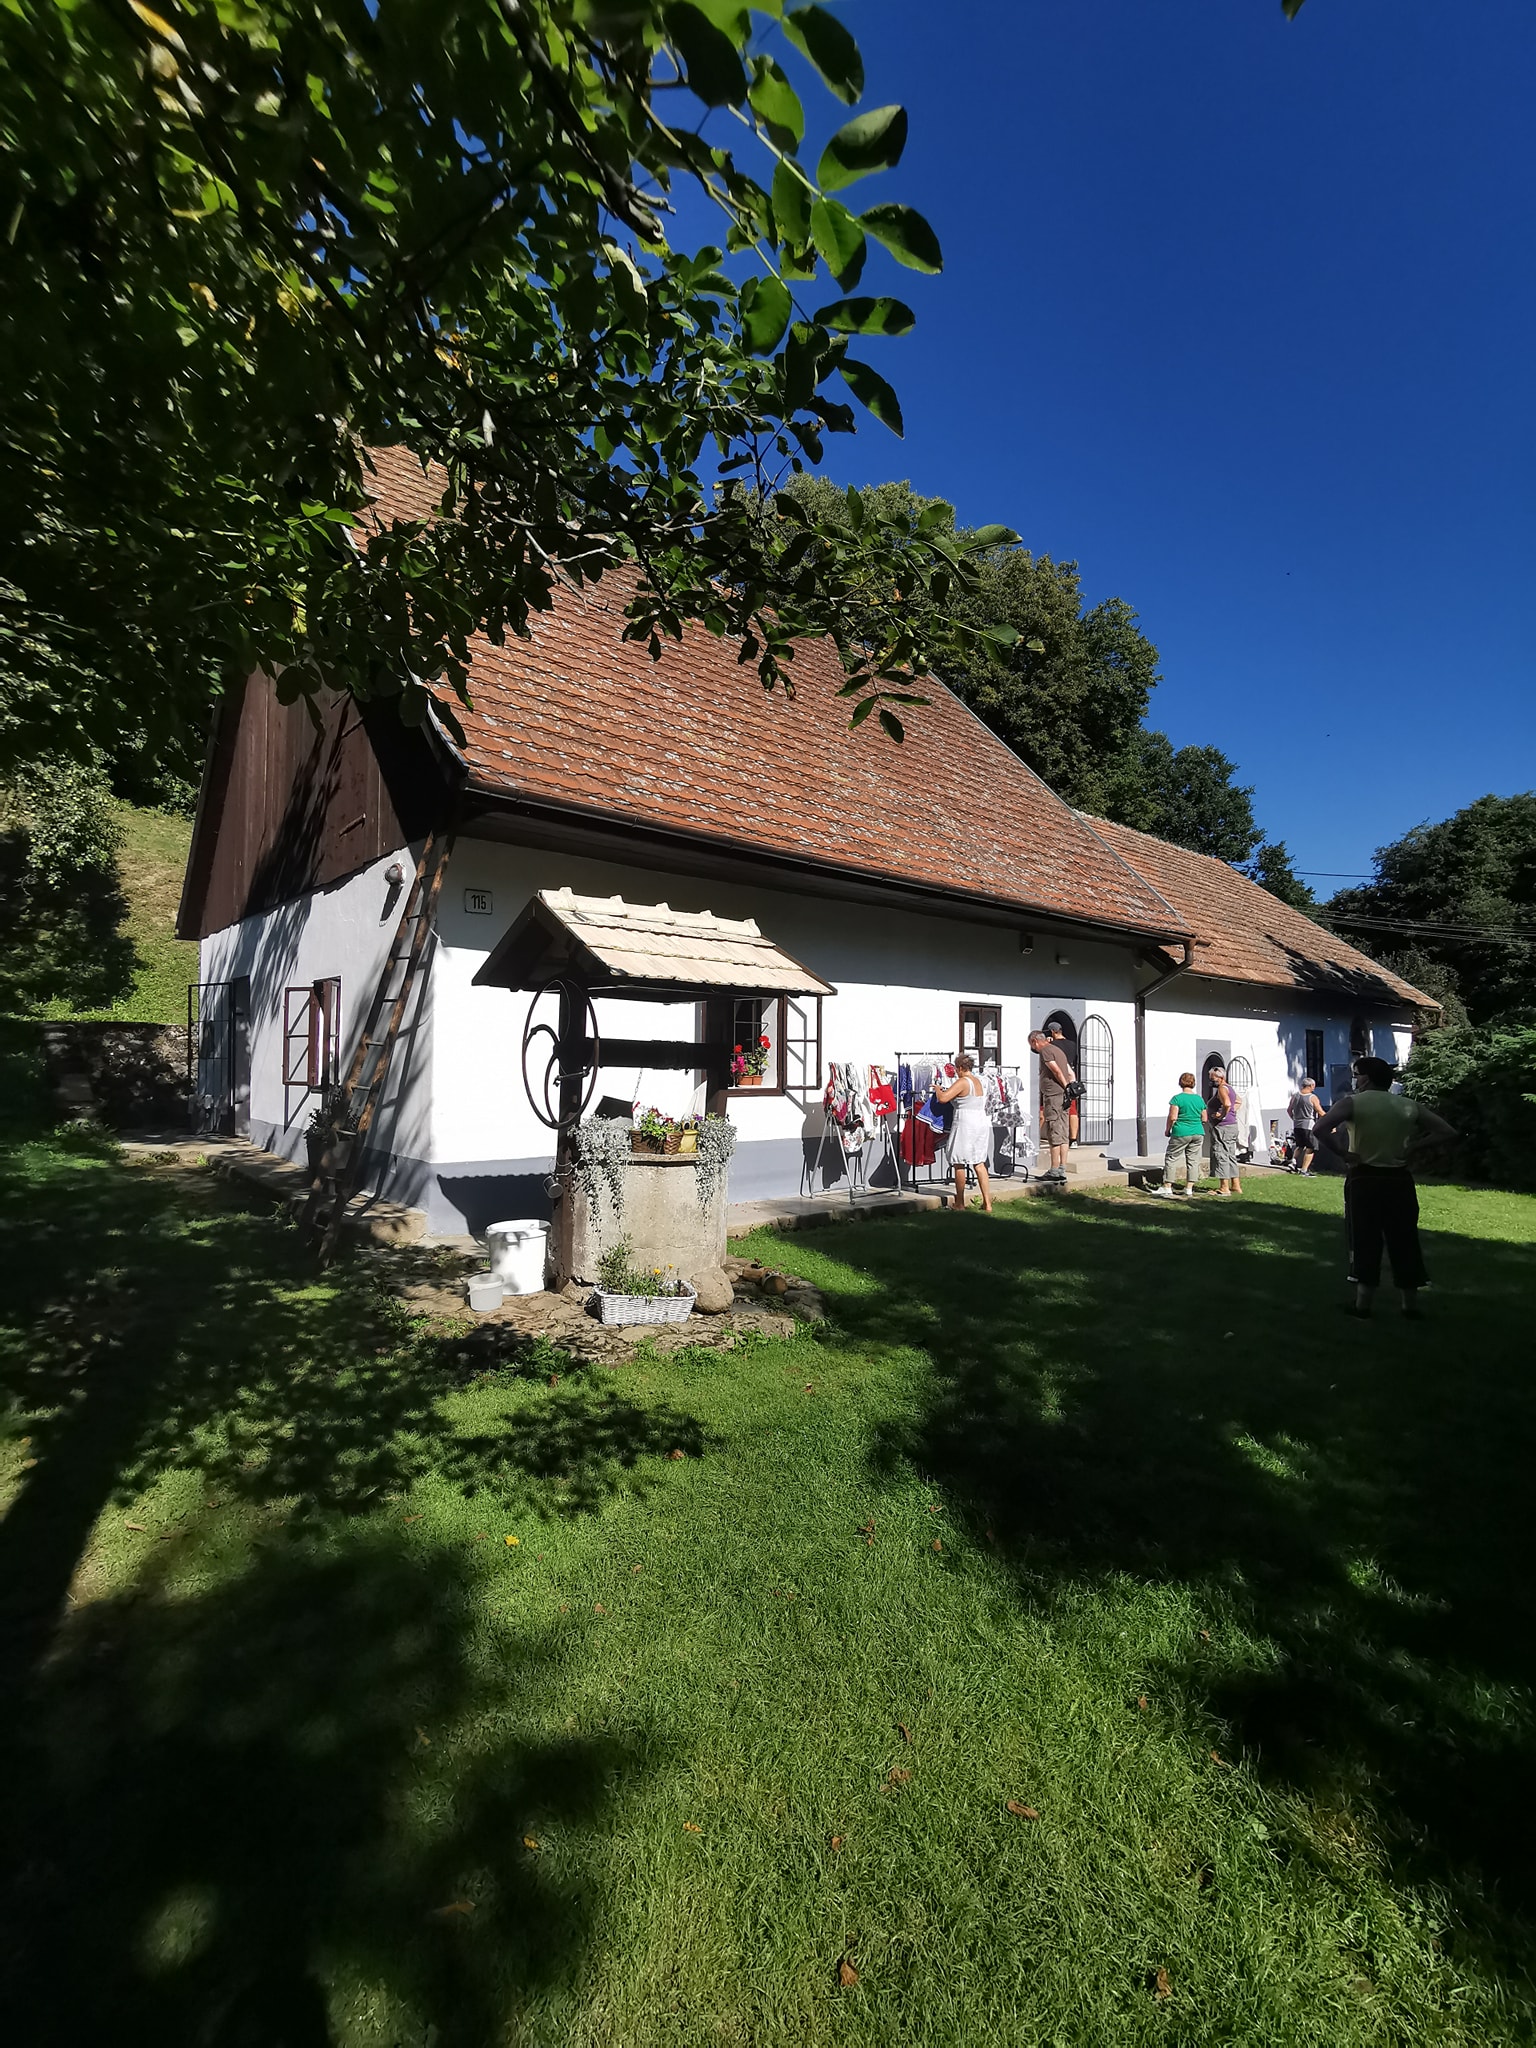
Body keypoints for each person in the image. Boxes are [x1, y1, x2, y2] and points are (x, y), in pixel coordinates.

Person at [1313, 1056, 1456, 1318]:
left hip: (1363, 1177)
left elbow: (1320, 1128)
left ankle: (1363, 1305)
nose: (1355, 1080)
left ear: (1366, 1078)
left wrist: (1344, 1154)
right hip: (1399, 1179)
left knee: (1364, 1237)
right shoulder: (1407, 1105)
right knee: (1404, 1238)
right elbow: (1446, 1131)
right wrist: (1413, 1147)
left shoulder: (1352, 1103)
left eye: (1357, 1075)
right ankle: (1409, 1306)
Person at [935, 1052, 994, 1213]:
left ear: (960, 1067)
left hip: (965, 1121)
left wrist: (938, 1089)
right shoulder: (978, 1080)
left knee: (958, 1161)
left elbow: (944, 1098)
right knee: (979, 1162)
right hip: (980, 1121)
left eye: (956, 1068)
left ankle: (960, 1202)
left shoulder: (963, 1081)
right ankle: (987, 1203)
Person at [1152, 1071, 1207, 1197]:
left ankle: (1167, 1186)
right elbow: (1204, 1118)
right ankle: (1188, 1189)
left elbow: (1172, 1117)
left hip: (1181, 1131)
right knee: (1193, 1160)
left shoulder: (1177, 1098)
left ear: (1180, 1082)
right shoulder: (1199, 1099)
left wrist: (1168, 1129)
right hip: (1198, 1132)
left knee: (1172, 1158)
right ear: (1193, 1083)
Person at [1029, 1029, 1073, 1182]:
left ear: (1035, 1041)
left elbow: (1056, 1071)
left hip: (1054, 1096)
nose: (1033, 1048)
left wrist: (1066, 1086)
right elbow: (1070, 1071)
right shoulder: (1058, 1050)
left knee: (1054, 1132)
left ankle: (1054, 1170)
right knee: (1063, 1132)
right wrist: (1070, 1088)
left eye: (1032, 1045)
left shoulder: (1046, 1051)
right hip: (1064, 1096)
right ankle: (1062, 1168)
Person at [1206, 1064, 1243, 1195]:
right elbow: (1238, 1101)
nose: (1211, 1080)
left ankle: (1224, 1187)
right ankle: (1236, 1185)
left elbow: (1227, 1103)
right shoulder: (1229, 1088)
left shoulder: (1222, 1088)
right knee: (1230, 1155)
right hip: (1232, 1125)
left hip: (1222, 1127)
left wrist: (1222, 1115)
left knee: (1221, 1154)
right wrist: (1231, 1113)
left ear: (1219, 1077)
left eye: (1212, 1078)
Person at [1049, 1022, 1080, 1144]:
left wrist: (1048, 1043)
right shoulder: (1072, 1044)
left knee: (1050, 1108)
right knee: (1072, 1109)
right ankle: (1073, 1139)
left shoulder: (1052, 1045)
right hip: (1070, 1078)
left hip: (1056, 1080)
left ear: (1052, 1032)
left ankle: (1054, 1138)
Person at [1287, 1075, 1324, 1174]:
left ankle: (1293, 1162)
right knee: (1310, 1148)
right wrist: (1328, 1120)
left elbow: (1289, 1110)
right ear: (1311, 1085)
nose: (1314, 1088)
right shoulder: (1312, 1097)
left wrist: (1294, 1119)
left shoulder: (1295, 1096)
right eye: (1313, 1086)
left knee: (1299, 1145)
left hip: (1297, 1125)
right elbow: (1320, 1111)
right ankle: (1304, 1170)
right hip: (1309, 1125)